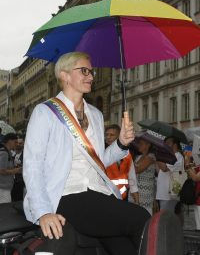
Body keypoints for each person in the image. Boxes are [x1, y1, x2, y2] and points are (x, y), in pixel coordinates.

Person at [23, 52, 150, 255]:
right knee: (140, 218)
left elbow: (98, 161)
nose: (91, 76)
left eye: (91, 71)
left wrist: (121, 144)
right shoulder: (45, 112)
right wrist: (44, 211)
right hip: (66, 194)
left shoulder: (96, 115)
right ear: (64, 75)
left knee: (125, 249)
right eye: (84, 71)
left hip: (98, 192)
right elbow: (32, 165)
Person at [105, 124, 138, 202]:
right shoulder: (101, 152)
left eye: (112, 135)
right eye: (106, 135)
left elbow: (131, 176)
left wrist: (136, 197)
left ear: (119, 137)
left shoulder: (126, 155)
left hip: (122, 198)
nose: (108, 137)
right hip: (105, 195)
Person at [156, 136, 184, 212]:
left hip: (169, 194)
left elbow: (164, 168)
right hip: (163, 193)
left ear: (175, 145)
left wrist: (158, 155)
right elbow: (160, 170)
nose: (165, 145)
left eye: (168, 143)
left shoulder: (178, 157)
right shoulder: (168, 156)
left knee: (167, 217)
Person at [129, 138, 156, 215]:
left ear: (148, 145)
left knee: (145, 216)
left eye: (141, 143)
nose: (139, 145)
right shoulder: (138, 157)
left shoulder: (151, 157)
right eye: (139, 143)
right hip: (134, 191)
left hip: (145, 193)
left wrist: (128, 159)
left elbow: (137, 170)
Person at [0, 133, 21, 203]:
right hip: (3, 189)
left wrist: (15, 169)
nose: (17, 144)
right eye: (15, 142)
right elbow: (1, 170)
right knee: (5, 210)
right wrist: (15, 170)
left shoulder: (7, 152)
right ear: (9, 141)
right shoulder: (4, 153)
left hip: (4, 188)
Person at [185, 161, 200, 230]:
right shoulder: (198, 166)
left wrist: (189, 169)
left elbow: (196, 178)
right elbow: (191, 175)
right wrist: (191, 167)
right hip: (197, 197)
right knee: (198, 225)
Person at [11, 135, 25, 201]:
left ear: (23, 144)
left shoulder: (26, 155)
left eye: (20, 143)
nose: (18, 144)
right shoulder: (11, 154)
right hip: (11, 182)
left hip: (20, 182)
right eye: (16, 143)